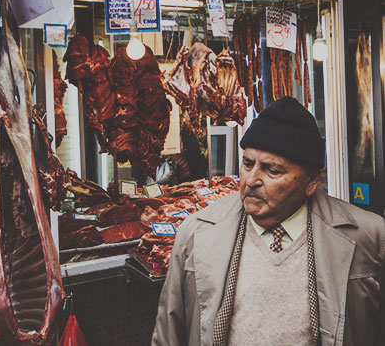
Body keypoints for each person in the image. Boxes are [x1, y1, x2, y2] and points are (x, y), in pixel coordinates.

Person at [152, 96, 385, 346]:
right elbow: (169, 334)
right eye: (247, 164)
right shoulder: (197, 232)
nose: (251, 180)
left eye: (272, 170)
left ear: (312, 181)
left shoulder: (369, 237)